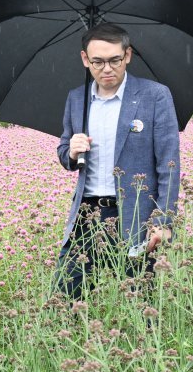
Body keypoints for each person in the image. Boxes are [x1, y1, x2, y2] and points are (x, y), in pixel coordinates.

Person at [56, 23, 180, 300]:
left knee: (139, 303)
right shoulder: (78, 98)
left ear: (127, 55)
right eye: (98, 61)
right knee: (64, 299)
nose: (107, 69)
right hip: (86, 214)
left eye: (114, 60)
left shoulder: (154, 96)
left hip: (135, 214)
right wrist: (72, 151)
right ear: (85, 59)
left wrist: (163, 220)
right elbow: (64, 152)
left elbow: (168, 165)